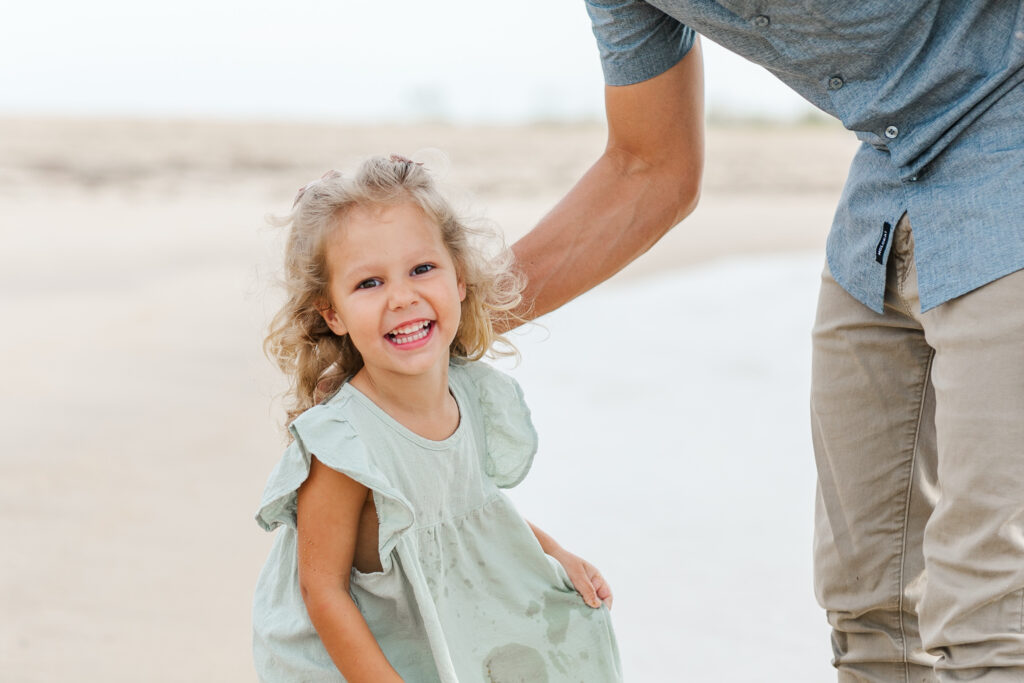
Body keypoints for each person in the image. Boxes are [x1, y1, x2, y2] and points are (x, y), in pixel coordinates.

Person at [506, 2, 1024, 680]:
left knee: (988, 613)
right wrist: (437, 317)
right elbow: (647, 165)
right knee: (869, 610)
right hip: (887, 173)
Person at [252, 155, 621, 682]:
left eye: (422, 269)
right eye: (369, 283)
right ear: (331, 312)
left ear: (460, 278)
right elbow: (322, 591)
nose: (402, 297)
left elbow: (470, 506)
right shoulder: (344, 444)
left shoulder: (467, 392)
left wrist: (558, 552)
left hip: (428, 629)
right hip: (345, 658)